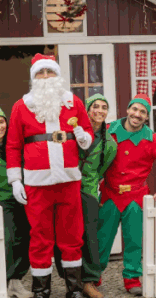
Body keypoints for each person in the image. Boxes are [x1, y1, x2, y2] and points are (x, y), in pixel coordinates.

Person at [6, 54, 94, 298]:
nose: (46, 77)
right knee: (40, 236)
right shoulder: (21, 106)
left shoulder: (72, 102)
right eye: (40, 73)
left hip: (69, 179)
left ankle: (74, 289)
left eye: (50, 72)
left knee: (72, 235)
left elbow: (86, 130)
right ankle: (41, 289)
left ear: (57, 75)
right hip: (37, 181)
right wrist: (15, 180)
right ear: (34, 77)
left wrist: (85, 137)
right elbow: (13, 145)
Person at [95, 94, 156, 296]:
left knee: (134, 239)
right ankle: (93, 277)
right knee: (101, 239)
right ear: (127, 110)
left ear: (146, 117)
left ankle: (132, 278)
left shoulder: (152, 139)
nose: (137, 114)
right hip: (109, 194)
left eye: (143, 112)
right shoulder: (108, 130)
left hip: (135, 197)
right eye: (135, 109)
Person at [54, 94, 116, 298]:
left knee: (90, 236)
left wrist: (91, 184)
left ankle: (89, 282)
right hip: (66, 187)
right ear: (87, 110)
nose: (99, 110)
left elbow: (102, 169)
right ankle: (71, 281)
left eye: (104, 107)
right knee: (64, 233)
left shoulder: (109, 144)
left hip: (88, 191)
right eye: (95, 106)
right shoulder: (73, 132)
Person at [0, 101, 33, 298]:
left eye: (1, 122)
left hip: (24, 198)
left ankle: (17, 280)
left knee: (26, 237)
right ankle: (9, 281)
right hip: (2, 200)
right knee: (9, 240)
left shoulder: (17, 145)